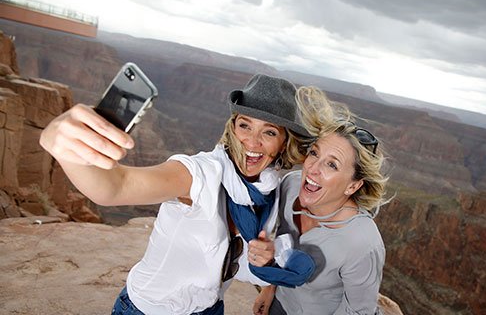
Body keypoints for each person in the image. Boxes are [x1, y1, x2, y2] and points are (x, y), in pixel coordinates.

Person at [39, 74, 313, 315]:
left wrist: (265, 277)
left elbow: (239, 260)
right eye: (245, 125)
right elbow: (115, 187)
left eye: (269, 132)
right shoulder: (197, 174)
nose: (253, 142)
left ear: (283, 143)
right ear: (232, 127)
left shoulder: (267, 190)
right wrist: (60, 142)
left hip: (210, 309)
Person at [251, 86, 389, 315]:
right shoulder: (291, 185)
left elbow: (357, 311)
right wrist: (269, 289)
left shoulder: (361, 242)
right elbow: (282, 249)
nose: (313, 168)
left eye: (332, 164)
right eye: (315, 153)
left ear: (353, 185)